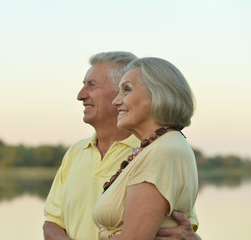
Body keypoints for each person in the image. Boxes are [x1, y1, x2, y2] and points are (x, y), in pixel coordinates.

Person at [43, 52, 200, 240]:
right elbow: (51, 222)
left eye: (92, 85)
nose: (80, 96)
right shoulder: (76, 153)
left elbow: (177, 226)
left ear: (156, 94)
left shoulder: (160, 151)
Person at [92, 57, 199, 240]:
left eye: (126, 89)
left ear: (158, 93)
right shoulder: (158, 147)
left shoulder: (162, 152)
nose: (116, 101)